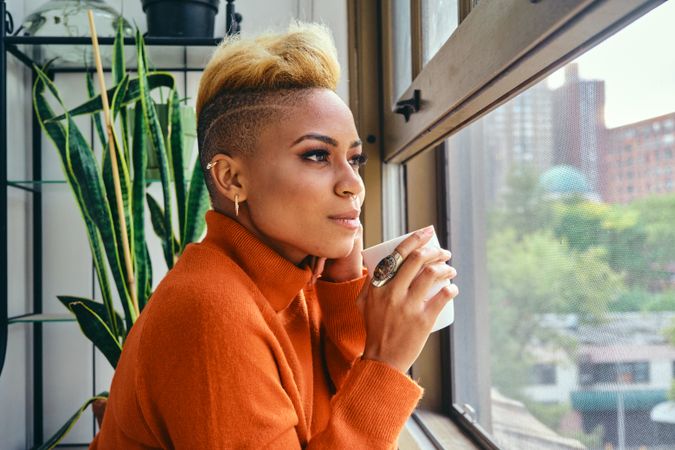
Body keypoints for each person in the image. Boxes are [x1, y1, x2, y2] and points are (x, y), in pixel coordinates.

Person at [90, 22, 458, 449]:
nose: (353, 184)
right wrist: (387, 362)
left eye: (354, 158)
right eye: (317, 155)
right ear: (231, 179)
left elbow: (322, 423)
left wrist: (342, 291)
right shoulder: (211, 313)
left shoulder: (296, 279)